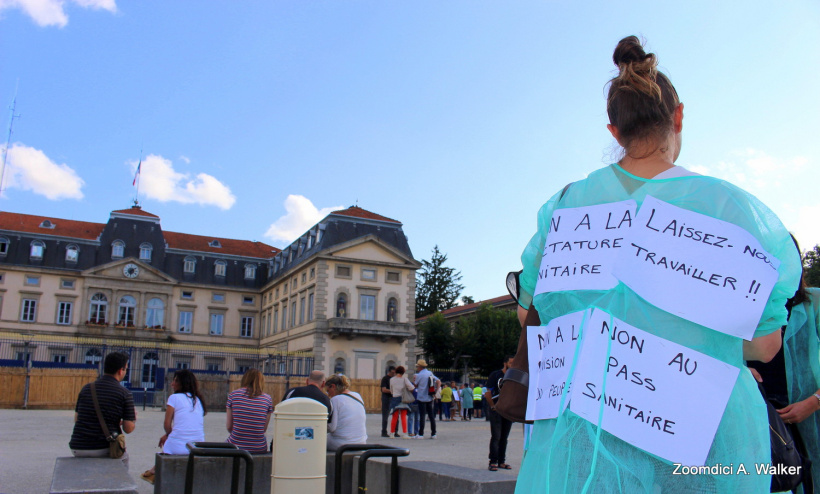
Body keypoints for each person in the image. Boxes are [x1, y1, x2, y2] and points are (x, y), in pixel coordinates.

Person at [513, 36, 801, 493]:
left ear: (614, 131)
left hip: (584, 441)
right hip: (704, 439)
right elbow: (765, 346)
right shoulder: (731, 209)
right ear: (678, 116)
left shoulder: (565, 209)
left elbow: (535, 314)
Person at [748, 247, 820, 492]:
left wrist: (814, 401)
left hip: (810, 416)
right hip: (761, 419)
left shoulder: (815, 303)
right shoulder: (743, 304)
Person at [69, 352, 136, 466]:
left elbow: (77, 419)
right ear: (121, 370)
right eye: (126, 369)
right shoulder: (124, 393)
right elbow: (128, 428)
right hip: (103, 447)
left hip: (78, 446)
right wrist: (133, 418)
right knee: (124, 458)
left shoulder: (86, 388)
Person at [142, 369, 206, 483]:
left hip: (177, 446)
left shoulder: (174, 398)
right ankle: (154, 470)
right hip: (197, 445)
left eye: (175, 381)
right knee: (173, 439)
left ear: (182, 383)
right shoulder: (198, 400)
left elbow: (167, 424)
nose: (172, 384)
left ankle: (154, 471)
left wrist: (167, 434)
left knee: (171, 443)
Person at [226, 369, 273, 453]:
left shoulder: (233, 395)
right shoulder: (267, 399)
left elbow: (229, 427)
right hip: (259, 447)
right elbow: (263, 429)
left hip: (236, 446)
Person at [324, 374, 367, 451]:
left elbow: (332, 427)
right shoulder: (357, 396)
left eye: (328, 391)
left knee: (319, 440)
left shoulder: (336, 400)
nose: (329, 395)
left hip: (342, 444)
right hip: (361, 442)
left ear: (333, 386)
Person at [485, 357, 514, 471]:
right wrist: (493, 406)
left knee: (504, 437)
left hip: (508, 410)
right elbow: (488, 393)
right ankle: (493, 461)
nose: (513, 364)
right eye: (511, 362)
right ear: (505, 363)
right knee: (496, 436)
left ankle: (502, 461)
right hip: (497, 409)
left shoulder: (514, 376)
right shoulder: (496, 375)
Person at [413, 359, 439, 439]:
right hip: (429, 396)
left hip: (421, 397)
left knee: (422, 416)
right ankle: (433, 433)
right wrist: (436, 391)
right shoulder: (430, 373)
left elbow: (415, 385)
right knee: (431, 416)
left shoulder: (419, 375)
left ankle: (421, 434)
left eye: (417, 367)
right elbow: (438, 381)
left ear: (420, 367)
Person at [389, 366, 414, 438]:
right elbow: (411, 387)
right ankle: (405, 433)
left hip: (394, 398)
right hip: (403, 398)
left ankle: (392, 433)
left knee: (394, 416)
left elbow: (391, 390)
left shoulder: (392, 379)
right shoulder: (404, 379)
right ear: (403, 372)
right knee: (403, 416)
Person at [380, 366, 396, 438]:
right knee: (385, 415)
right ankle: (384, 431)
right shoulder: (385, 379)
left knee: (395, 414)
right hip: (386, 397)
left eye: (394, 372)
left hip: (393, 398)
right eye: (392, 372)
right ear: (389, 371)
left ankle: (395, 431)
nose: (394, 374)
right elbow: (383, 389)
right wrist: (392, 391)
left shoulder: (395, 379)